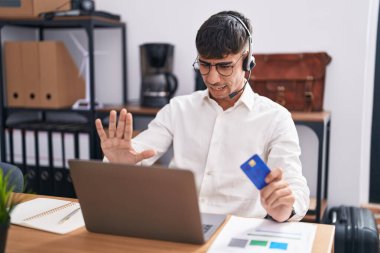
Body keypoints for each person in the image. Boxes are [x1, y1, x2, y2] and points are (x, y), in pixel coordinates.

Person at [95, 10, 309, 222]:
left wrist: (285, 209)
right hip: (179, 224)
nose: (213, 78)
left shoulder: (276, 118)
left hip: (237, 232)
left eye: (225, 66)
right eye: (205, 65)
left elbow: (295, 188)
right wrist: (120, 165)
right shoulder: (178, 109)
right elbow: (137, 152)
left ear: (246, 61)